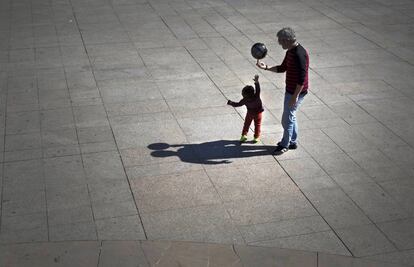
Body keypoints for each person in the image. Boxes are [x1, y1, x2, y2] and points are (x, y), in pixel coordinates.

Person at [256, 27, 309, 155]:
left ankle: (284, 145)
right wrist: (266, 68)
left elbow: (302, 79)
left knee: (287, 119)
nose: (279, 43)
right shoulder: (290, 51)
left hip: (297, 92)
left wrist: (294, 97)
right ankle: (292, 141)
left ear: (288, 40)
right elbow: (282, 68)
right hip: (290, 90)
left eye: (280, 41)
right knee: (290, 117)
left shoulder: (299, 54)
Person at [227, 74, 264, 143]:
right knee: (257, 125)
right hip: (258, 113)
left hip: (250, 114)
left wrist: (231, 103)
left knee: (247, 124)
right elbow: (258, 89)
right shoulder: (256, 96)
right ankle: (256, 137)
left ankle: (244, 135)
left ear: (244, 95)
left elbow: (238, 104)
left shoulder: (244, 100)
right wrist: (256, 82)